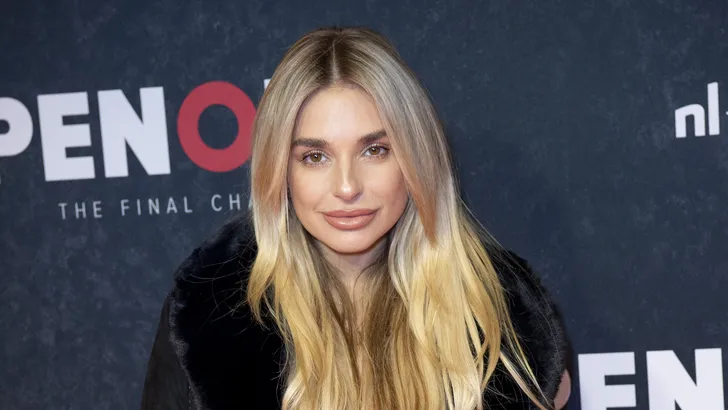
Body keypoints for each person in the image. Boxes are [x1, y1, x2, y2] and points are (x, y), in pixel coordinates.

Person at [141, 26, 571, 410]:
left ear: (416, 158)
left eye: (375, 151)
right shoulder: (208, 317)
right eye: (315, 156)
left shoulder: (504, 325)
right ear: (280, 171)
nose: (347, 187)